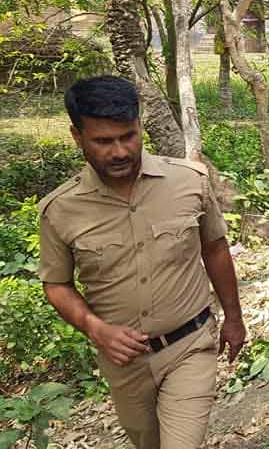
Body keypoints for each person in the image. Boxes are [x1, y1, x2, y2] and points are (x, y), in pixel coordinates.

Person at [38, 76, 246, 449]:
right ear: (77, 136)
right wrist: (94, 328)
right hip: (125, 366)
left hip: (191, 344)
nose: (119, 151)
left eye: (128, 136)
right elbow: (57, 284)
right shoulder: (60, 210)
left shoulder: (188, 181)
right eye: (103, 141)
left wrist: (233, 317)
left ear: (139, 126)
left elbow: (214, 248)